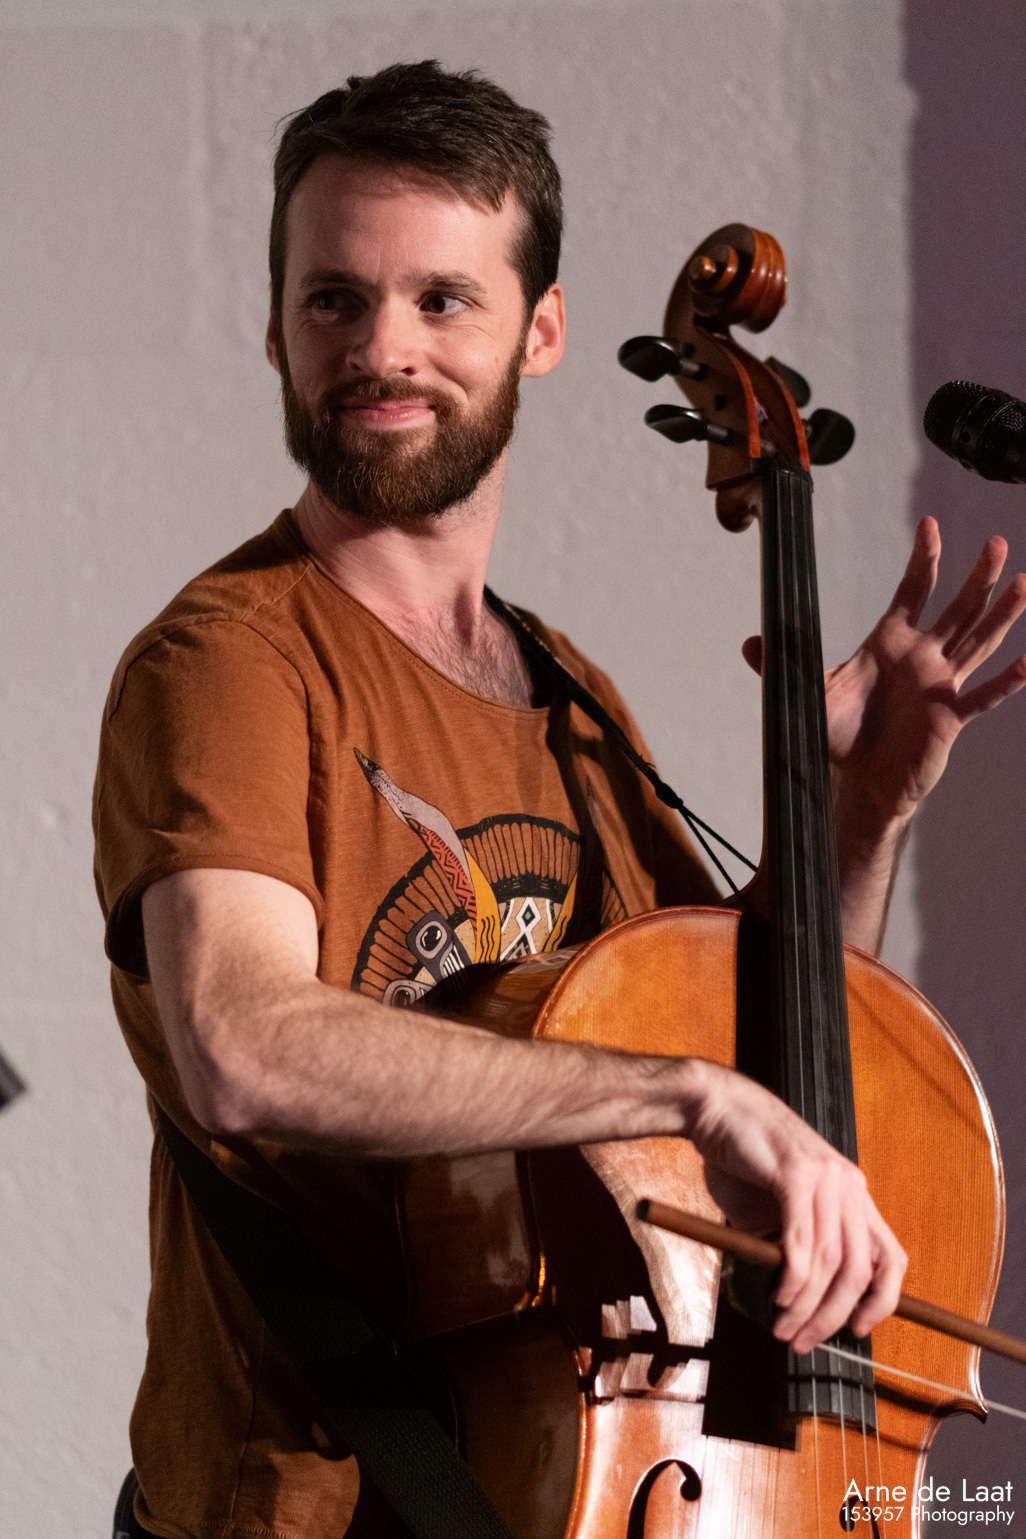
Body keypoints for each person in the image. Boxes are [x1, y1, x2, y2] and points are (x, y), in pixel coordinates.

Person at [93, 60, 1026, 1539]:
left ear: (541, 331)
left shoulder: (565, 689)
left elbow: (763, 1065)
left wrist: (852, 816)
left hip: (553, 1479)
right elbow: (242, 1045)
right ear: (275, 325)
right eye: (334, 299)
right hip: (309, 1509)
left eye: (441, 300)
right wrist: (680, 1095)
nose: (382, 349)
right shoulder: (230, 662)